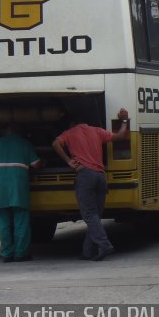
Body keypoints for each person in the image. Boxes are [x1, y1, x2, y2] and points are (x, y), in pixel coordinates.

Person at [52, 108, 130, 261]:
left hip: (85, 176)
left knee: (88, 214)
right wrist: (125, 120)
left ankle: (104, 244)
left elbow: (55, 144)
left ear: (72, 122)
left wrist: (68, 161)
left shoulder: (70, 132)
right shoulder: (97, 131)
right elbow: (121, 135)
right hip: (101, 176)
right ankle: (87, 251)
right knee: (95, 215)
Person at [0, 125, 41, 263]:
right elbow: (36, 164)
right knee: (21, 222)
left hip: (1, 191)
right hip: (19, 190)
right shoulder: (25, 144)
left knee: (3, 223)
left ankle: (7, 254)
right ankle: (21, 254)